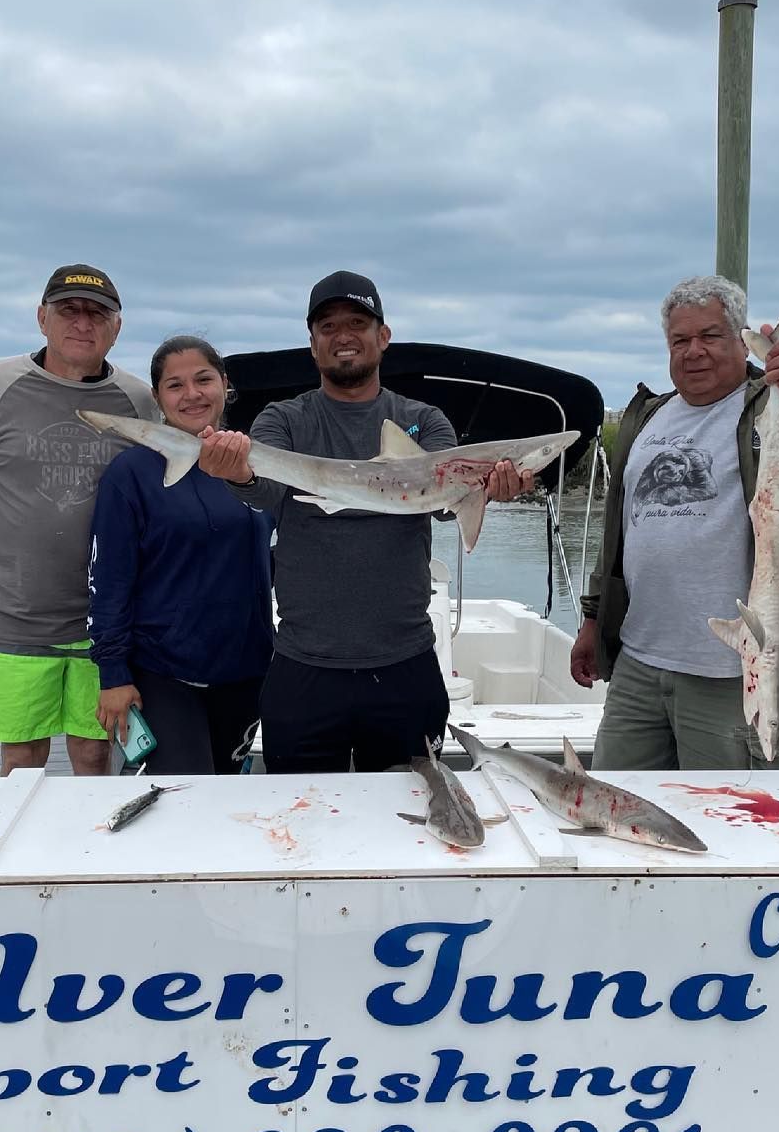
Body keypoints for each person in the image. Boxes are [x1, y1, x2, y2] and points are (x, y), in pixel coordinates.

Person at [195, 270, 531, 773]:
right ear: (313, 345)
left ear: (383, 336)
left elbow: (441, 503)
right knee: (303, 821)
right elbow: (263, 495)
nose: (343, 335)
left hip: (405, 664)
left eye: (357, 322)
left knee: (416, 823)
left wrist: (484, 487)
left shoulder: (425, 418)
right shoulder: (283, 420)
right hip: (304, 666)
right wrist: (235, 473)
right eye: (328, 327)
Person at [571, 273, 779, 771]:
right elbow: (623, 533)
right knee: (622, 813)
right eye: (680, 340)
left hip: (732, 672)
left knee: (737, 825)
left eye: (710, 336)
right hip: (638, 666)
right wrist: (592, 619)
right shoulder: (646, 417)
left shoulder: (773, 405)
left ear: (741, 340)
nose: (693, 352)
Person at [0, 264, 159, 776]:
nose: (83, 324)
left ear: (117, 328)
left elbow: (160, 504)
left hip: (106, 624)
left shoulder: (138, 400)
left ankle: (85, 857)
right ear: (42, 318)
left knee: (94, 755)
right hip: (16, 616)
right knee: (21, 759)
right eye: (69, 311)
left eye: (98, 314)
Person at [87, 335, 273, 774]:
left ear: (225, 385)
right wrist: (113, 673)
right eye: (175, 385)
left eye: (203, 379)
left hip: (246, 671)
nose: (191, 394)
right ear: (157, 397)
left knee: (227, 798)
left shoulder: (259, 464)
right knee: (179, 806)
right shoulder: (131, 473)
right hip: (163, 672)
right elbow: (108, 581)